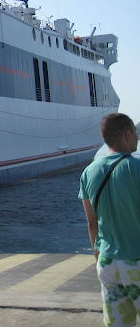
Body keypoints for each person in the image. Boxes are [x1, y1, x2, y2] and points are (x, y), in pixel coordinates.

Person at [79, 113, 140, 326]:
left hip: (108, 263)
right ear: (127, 134)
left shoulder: (88, 172)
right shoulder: (137, 168)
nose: (137, 137)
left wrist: (99, 258)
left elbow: (92, 222)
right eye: (135, 132)